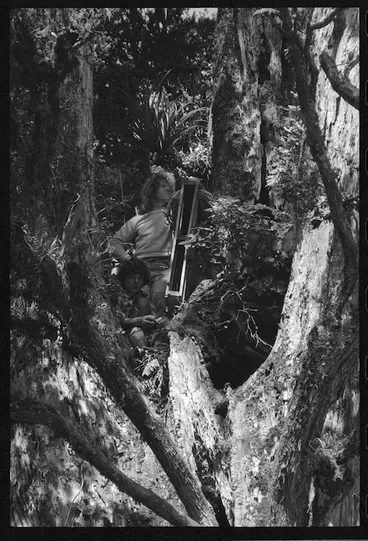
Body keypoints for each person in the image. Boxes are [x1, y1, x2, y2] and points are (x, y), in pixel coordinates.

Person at [110, 169, 175, 317]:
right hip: (140, 272)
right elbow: (113, 242)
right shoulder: (139, 219)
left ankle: (163, 333)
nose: (168, 189)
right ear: (152, 191)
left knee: (160, 297)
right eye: (162, 185)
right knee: (140, 303)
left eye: (169, 186)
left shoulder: (174, 215)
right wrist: (128, 260)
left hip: (164, 269)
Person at [115, 257, 164, 348]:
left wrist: (156, 321)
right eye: (131, 277)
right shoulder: (117, 295)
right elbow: (118, 321)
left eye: (139, 278)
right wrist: (139, 320)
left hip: (141, 333)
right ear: (124, 278)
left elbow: (154, 316)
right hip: (122, 334)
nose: (136, 282)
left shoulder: (143, 296)